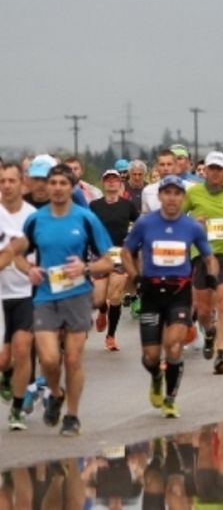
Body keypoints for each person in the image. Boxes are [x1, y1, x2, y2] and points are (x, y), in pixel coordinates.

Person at [17, 163, 116, 436]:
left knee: (72, 359)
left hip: (77, 295)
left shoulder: (86, 218)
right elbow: (16, 254)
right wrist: (30, 269)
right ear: (47, 188)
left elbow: (108, 261)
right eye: (54, 183)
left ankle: (72, 416)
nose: (58, 188)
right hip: (45, 297)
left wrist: (84, 268)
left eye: (64, 184)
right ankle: (56, 393)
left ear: (71, 188)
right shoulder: (36, 220)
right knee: (49, 360)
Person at [122, 175, 215, 418]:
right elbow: (126, 251)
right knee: (150, 356)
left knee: (173, 345)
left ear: (183, 198)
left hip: (179, 292)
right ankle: (156, 376)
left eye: (177, 193)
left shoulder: (192, 226)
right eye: (167, 193)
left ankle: (171, 398)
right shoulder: (145, 223)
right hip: (152, 292)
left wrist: (212, 277)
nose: (172, 198)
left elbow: (208, 255)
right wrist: (134, 276)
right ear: (160, 196)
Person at [183, 151, 223, 375]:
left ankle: (221, 354)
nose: (216, 173)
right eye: (212, 169)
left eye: (220, 169)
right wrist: (193, 222)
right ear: (205, 171)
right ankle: (209, 332)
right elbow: (177, 218)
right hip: (202, 255)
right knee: (203, 310)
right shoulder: (194, 193)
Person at [0, 163, 36, 430]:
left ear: (22, 183)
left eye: (12, 180)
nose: (7, 185)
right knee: (4, 360)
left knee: (22, 349)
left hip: (25, 292)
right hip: (0, 294)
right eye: (2, 181)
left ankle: (17, 408)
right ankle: (7, 375)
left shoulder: (33, 217)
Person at [89, 169, 139, 351]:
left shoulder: (128, 205)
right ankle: (102, 311)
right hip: (99, 254)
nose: (111, 183)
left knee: (116, 295)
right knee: (99, 297)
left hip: (120, 254)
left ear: (120, 184)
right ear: (103, 183)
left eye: (115, 180)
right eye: (108, 180)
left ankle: (111, 336)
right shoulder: (94, 206)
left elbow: (139, 224)